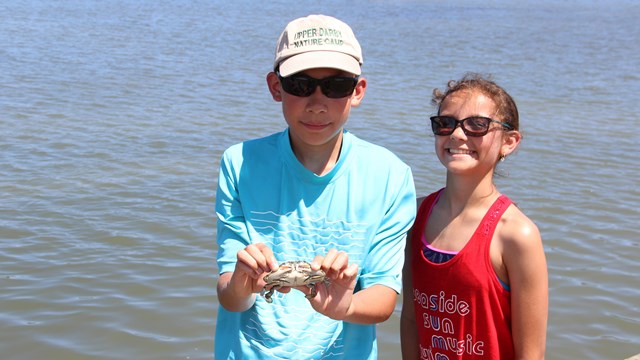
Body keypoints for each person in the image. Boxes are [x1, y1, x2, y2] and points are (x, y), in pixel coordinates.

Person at [215, 14, 416, 359]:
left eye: (336, 86)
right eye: (300, 84)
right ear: (276, 86)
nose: (317, 102)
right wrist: (241, 283)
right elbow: (232, 297)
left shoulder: (389, 175)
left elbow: (384, 294)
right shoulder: (240, 163)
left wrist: (345, 307)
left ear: (358, 91)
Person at [400, 74, 548, 359]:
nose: (457, 135)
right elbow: (410, 320)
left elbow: (531, 353)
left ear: (509, 142)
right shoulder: (414, 216)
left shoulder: (517, 235)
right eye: (445, 124)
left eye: (476, 125)